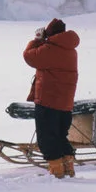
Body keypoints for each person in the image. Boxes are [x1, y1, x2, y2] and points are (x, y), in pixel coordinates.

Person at [23, 18, 80, 178]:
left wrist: (36, 40)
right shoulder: (70, 50)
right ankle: (68, 168)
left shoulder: (50, 49)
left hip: (48, 101)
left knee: (47, 138)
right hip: (65, 103)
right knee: (60, 136)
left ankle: (57, 173)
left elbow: (29, 57)